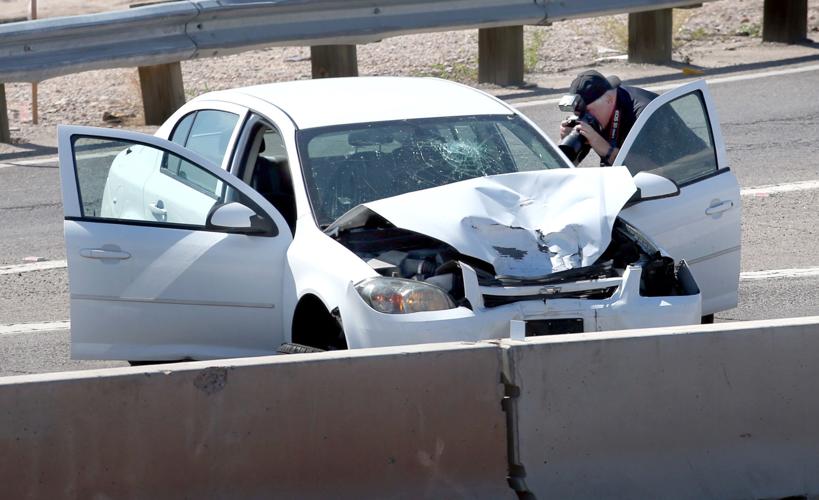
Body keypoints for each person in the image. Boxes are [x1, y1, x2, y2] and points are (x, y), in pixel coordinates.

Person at [559, 70, 657, 166]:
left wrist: (606, 149)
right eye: (578, 114)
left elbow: (653, 169)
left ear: (609, 100)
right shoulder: (600, 113)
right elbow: (561, 170)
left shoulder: (645, 114)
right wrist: (567, 141)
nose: (584, 118)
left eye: (588, 112)